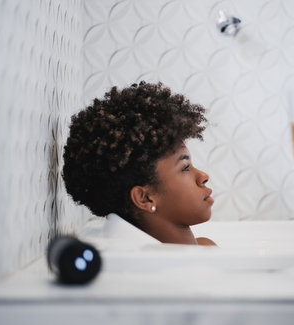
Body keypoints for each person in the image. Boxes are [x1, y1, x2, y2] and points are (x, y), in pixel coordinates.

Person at [62, 81, 216, 246]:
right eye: (185, 168)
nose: (203, 177)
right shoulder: (153, 269)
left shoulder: (205, 248)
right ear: (145, 198)